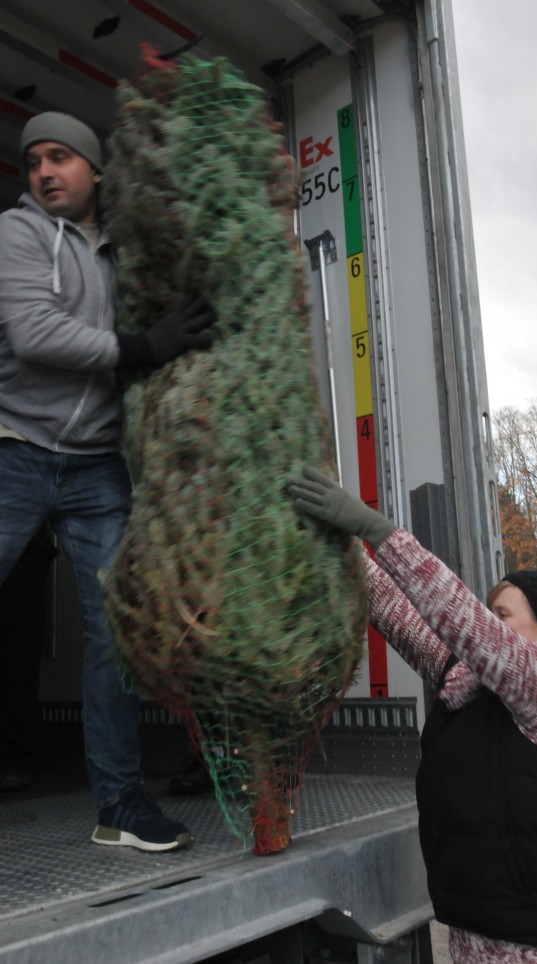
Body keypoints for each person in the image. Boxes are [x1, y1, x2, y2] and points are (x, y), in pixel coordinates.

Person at [289, 467, 537, 964]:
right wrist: (339, 543)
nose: (489, 621)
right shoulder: (466, 684)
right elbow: (397, 611)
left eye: (503, 613)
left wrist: (376, 530)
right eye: (488, 610)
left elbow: (464, 623)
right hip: (476, 938)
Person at [0, 111, 215, 851]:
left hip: (96, 467)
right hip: (14, 448)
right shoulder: (18, 234)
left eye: (60, 158)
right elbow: (34, 335)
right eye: (34, 162)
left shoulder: (127, 251)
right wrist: (139, 346)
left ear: (94, 170)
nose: (44, 173)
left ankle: (120, 807)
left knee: (112, 635)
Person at [0, 526, 57, 791]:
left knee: (18, 647)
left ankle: (17, 755)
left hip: (25, 537)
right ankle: (17, 755)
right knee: (18, 649)